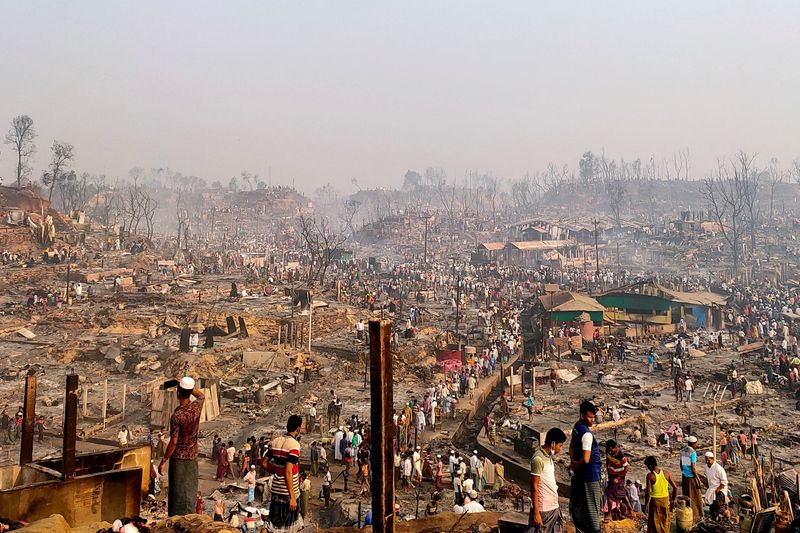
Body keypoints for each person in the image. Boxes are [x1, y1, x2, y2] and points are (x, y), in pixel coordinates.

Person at [159, 376, 205, 516]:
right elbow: (200, 394)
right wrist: (185, 385)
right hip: (192, 457)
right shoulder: (196, 407)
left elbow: (174, 442)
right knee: (189, 492)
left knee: (177, 493)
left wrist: (164, 460)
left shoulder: (177, 416)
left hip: (178, 459)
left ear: (178, 393)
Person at [261, 414, 304, 533]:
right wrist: (292, 497)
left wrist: (276, 470)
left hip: (275, 489)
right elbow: (288, 471)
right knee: (289, 525)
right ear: (298, 429)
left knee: (273, 523)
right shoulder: (294, 445)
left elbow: (264, 463)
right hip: (288, 491)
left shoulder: (276, 441)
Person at [569, 400, 602, 533]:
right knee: (593, 507)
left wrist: (573, 462)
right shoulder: (587, 434)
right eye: (590, 417)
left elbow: (571, 447)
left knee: (580, 505)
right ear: (582, 415)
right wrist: (577, 463)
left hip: (580, 474)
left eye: (593, 417)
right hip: (591, 475)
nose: (592, 420)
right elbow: (587, 459)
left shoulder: (576, 427)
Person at [529, 428, 567, 533]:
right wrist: (536, 513)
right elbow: (534, 486)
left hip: (553, 507)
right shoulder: (538, 459)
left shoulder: (548, 456)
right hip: (543, 510)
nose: (561, 449)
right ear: (553, 444)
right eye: (560, 445)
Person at [643, 456, 677, 533]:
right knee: (665, 521)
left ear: (650, 466)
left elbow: (648, 492)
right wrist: (672, 500)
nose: (648, 468)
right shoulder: (666, 473)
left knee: (655, 522)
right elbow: (675, 488)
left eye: (648, 467)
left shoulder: (650, 476)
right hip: (665, 501)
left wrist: (646, 505)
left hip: (655, 502)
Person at [679, 436, 703, 522]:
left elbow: (681, 465)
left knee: (686, 495)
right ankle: (697, 515)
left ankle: (687, 513)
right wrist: (699, 480)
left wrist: (684, 471)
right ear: (693, 444)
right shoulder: (693, 453)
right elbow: (693, 468)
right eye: (696, 443)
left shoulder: (683, 451)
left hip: (684, 476)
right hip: (691, 477)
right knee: (696, 497)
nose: (697, 445)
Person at [704, 452, 729, 520]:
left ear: (713, 459)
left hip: (720, 490)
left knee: (720, 508)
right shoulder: (706, 466)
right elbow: (707, 477)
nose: (707, 462)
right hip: (712, 489)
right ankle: (715, 519)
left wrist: (717, 490)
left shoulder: (719, 469)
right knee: (712, 506)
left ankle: (728, 516)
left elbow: (724, 482)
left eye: (708, 460)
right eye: (706, 460)